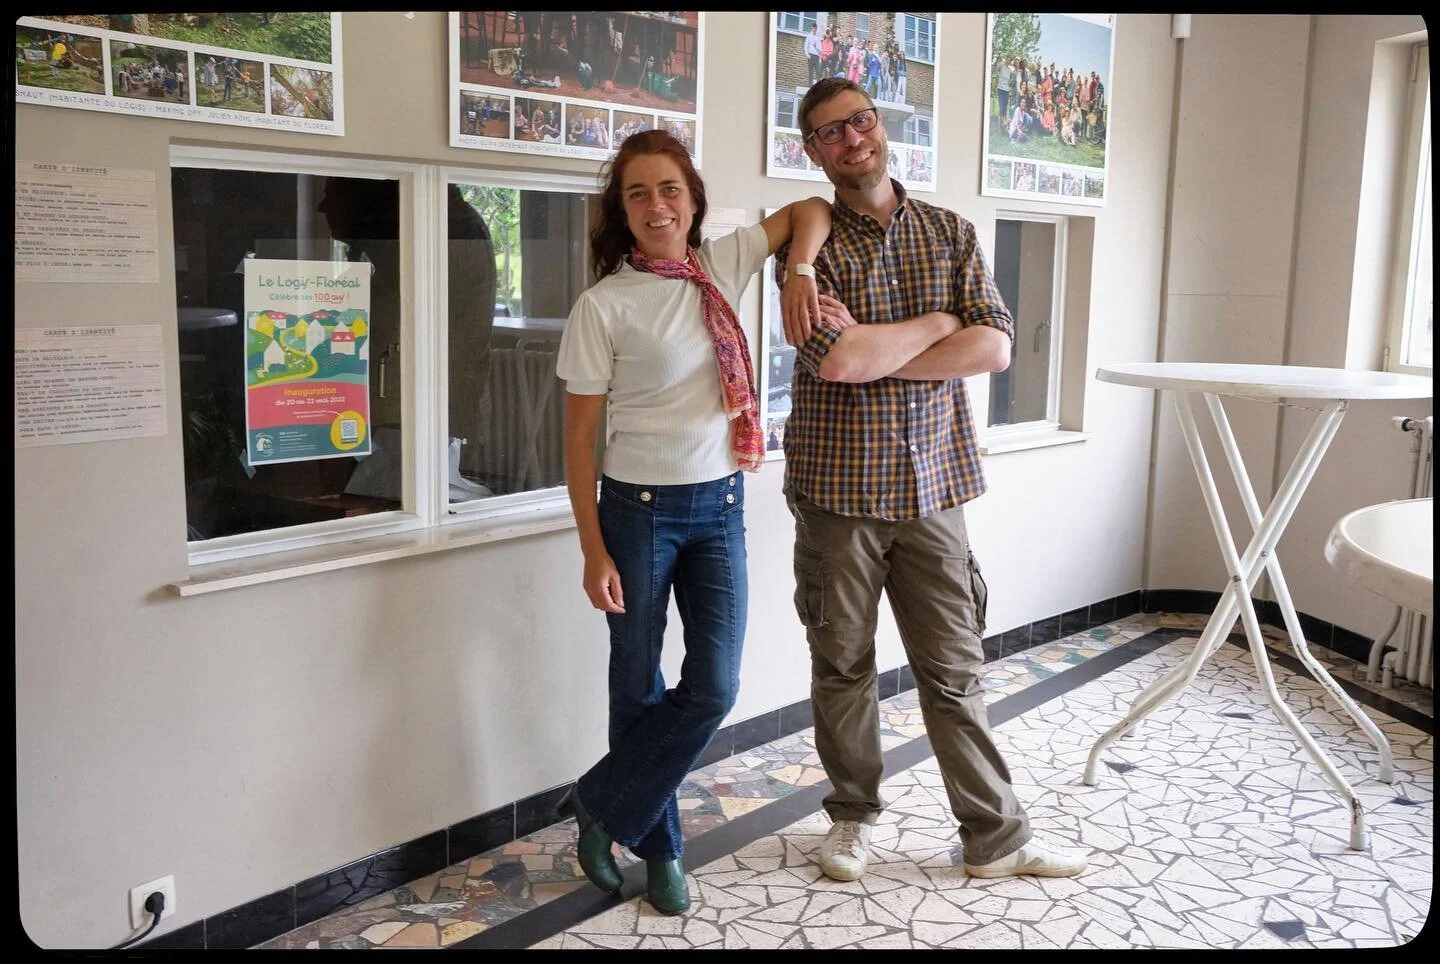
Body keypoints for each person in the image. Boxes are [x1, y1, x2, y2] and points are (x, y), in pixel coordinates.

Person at [774, 77, 1089, 885]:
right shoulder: (804, 253)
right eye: (831, 132)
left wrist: (889, 346)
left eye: (860, 121)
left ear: (880, 124)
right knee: (842, 667)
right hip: (837, 494)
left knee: (954, 670)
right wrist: (943, 323)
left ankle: (995, 838)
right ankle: (851, 818)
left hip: (934, 490)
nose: (852, 139)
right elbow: (836, 361)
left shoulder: (952, 233)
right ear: (812, 151)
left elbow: (996, 348)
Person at [555, 129, 833, 916]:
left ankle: (600, 804)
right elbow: (577, 442)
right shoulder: (604, 305)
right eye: (638, 193)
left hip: (720, 507)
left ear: (693, 199)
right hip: (635, 513)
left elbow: (810, 208)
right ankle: (663, 852)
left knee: (713, 686)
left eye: (670, 189)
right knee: (637, 685)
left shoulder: (723, 265)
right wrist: (592, 550)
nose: (657, 206)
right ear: (621, 210)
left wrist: (801, 269)